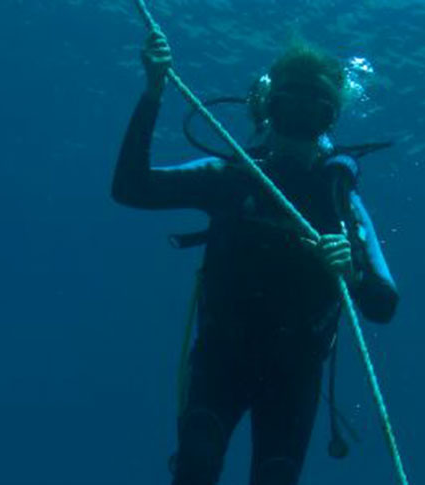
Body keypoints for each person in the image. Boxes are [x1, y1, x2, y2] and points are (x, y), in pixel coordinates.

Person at [112, 30, 399, 485]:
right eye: (289, 113)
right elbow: (131, 187)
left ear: (329, 123)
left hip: (295, 372)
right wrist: (153, 92)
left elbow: (383, 305)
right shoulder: (232, 178)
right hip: (224, 356)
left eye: (313, 117)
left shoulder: (338, 199)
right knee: (197, 466)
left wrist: (353, 270)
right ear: (268, 110)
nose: (297, 134)